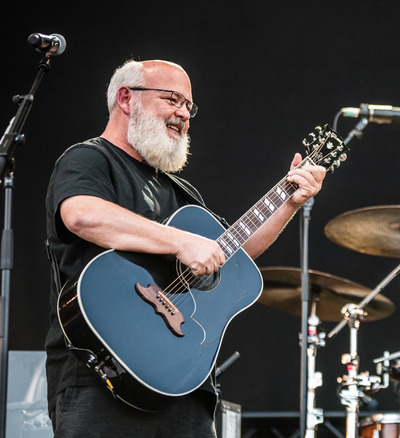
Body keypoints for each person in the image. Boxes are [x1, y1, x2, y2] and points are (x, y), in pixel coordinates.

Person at [44, 59, 327, 437]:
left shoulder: (183, 193)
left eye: (188, 106)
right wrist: (181, 241)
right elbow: (81, 215)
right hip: (101, 377)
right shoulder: (90, 158)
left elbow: (231, 255)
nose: (183, 114)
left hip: (183, 385)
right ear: (126, 98)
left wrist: (290, 199)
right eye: (172, 99)